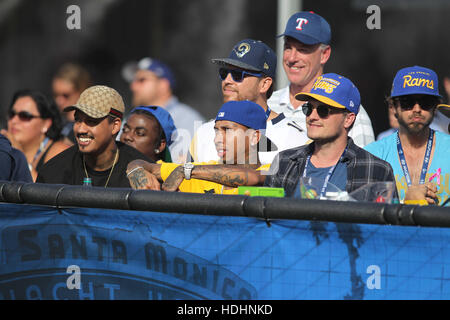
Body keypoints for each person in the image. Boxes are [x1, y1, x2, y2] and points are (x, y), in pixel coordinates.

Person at [264, 73, 397, 199]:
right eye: (308, 108)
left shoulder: (376, 169)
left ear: (348, 119)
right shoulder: (284, 162)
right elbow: (265, 219)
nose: (312, 116)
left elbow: (386, 222)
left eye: (323, 110)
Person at [190, 39, 309, 165]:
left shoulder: (296, 139)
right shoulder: (203, 133)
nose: (227, 80)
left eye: (238, 74)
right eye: (224, 73)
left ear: (264, 84)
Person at [268, 11, 375, 148]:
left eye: (303, 49)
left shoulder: (347, 109)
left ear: (324, 54)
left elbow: (365, 166)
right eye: (288, 47)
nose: (291, 58)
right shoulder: (267, 103)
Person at [126, 100, 271, 194]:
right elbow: (146, 165)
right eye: (216, 131)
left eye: (227, 130)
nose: (217, 139)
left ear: (254, 136)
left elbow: (252, 178)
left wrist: (186, 170)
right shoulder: (201, 171)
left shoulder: (273, 170)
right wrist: (135, 169)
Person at [364, 66, 450, 206]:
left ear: (435, 108)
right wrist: (405, 203)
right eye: (407, 103)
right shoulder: (372, 154)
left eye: (425, 103)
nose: (417, 109)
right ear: (393, 107)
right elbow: (362, 213)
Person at [36, 85, 153, 188]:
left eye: (91, 121)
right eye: (77, 120)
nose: (81, 129)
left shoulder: (140, 172)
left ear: (115, 126)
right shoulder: (54, 171)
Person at [126, 57, 205, 162]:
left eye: (142, 80)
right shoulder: (129, 120)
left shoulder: (188, 120)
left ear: (163, 85)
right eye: (134, 81)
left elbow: (188, 169)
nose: (133, 86)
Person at [1, 90, 71, 181]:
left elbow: (46, 193)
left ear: (46, 124)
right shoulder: (4, 150)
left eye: (25, 116)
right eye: (12, 114)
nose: (14, 121)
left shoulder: (60, 153)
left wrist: (21, 156)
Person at [52, 63, 92, 144]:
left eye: (66, 95)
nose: (59, 101)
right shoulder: (57, 123)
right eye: (55, 95)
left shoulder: (89, 126)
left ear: (82, 90)